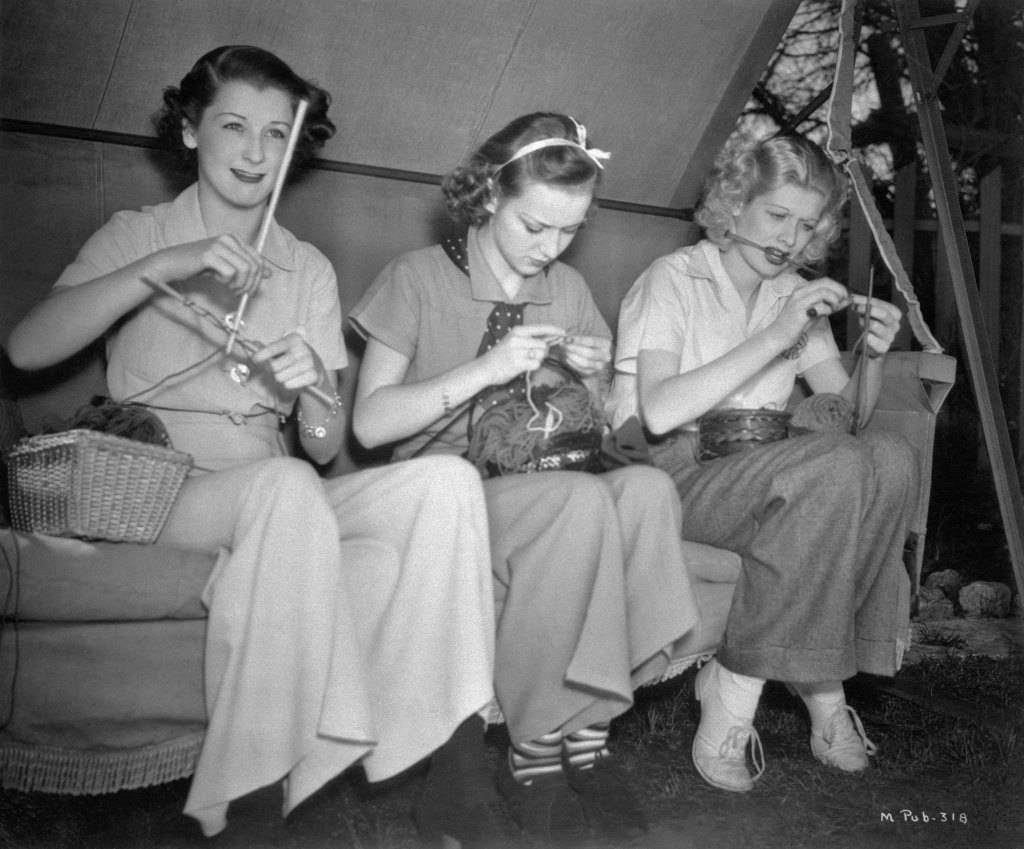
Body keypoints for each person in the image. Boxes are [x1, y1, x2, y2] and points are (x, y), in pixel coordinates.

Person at [5, 45, 498, 843]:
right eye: (234, 126)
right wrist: (172, 262)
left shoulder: (304, 264)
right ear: (190, 130)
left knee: (443, 483)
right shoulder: (139, 232)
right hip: (163, 488)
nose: (255, 152)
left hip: (275, 487)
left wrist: (311, 389)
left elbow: (321, 443)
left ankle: (452, 761)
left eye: (276, 134)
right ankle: (252, 803)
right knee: (283, 492)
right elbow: (27, 348)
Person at [348, 112, 700, 842]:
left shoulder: (566, 286)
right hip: (441, 496)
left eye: (569, 230)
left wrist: (602, 384)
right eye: (535, 226)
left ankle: (587, 732)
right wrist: (490, 366)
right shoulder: (416, 277)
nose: (551, 247)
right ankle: (536, 747)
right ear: (485, 197)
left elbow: (592, 431)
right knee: (574, 501)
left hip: (540, 478)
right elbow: (370, 426)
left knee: (645, 490)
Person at [607, 132, 917, 792]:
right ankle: (753, 698)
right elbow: (658, 411)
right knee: (829, 466)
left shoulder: (790, 292)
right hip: (669, 470)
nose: (789, 237)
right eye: (776, 215)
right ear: (734, 201)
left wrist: (876, 354)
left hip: (759, 469)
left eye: (806, 225)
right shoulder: (674, 279)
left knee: (889, 459)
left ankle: (770, 678)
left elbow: (852, 417)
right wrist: (779, 337)